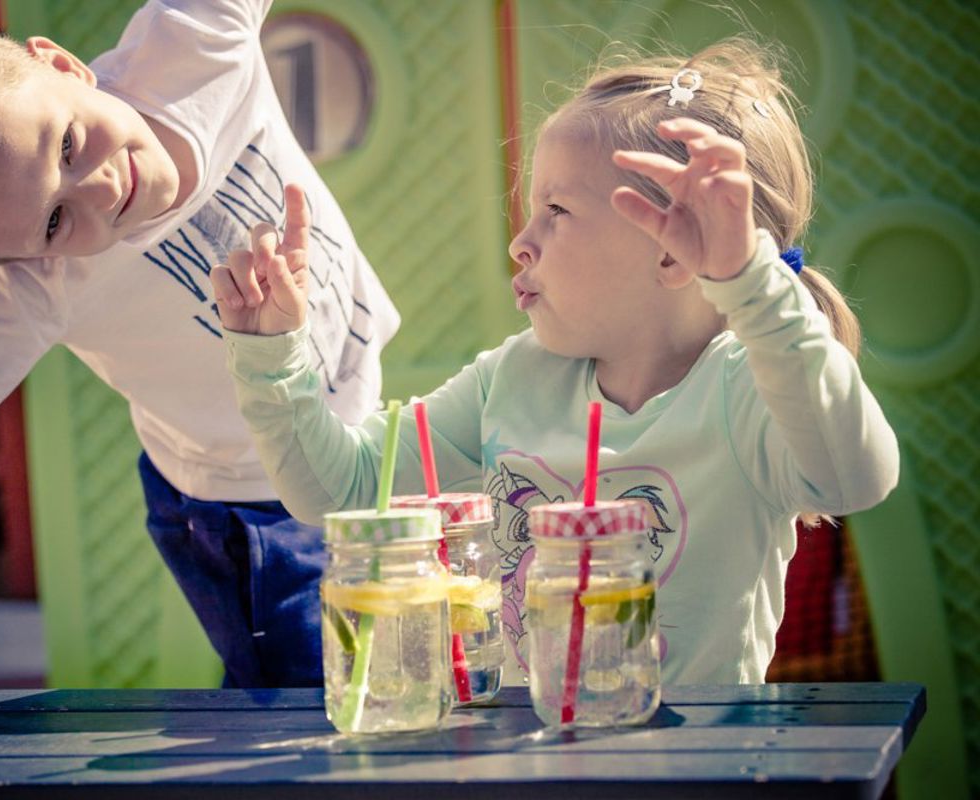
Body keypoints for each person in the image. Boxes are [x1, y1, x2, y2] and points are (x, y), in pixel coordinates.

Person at [0, 0, 399, 727]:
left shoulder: (193, 46)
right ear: (21, 259)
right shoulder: (35, 288)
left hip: (363, 427)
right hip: (252, 506)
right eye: (53, 221)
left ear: (61, 65)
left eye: (69, 144)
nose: (102, 188)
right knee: (313, 710)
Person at [214, 38, 900, 684]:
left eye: (556, 211)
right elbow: (340, 491)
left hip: (700, 769)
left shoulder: (748, 387)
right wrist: (273, 355)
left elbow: (853, 479)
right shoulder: (514, 378)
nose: (521, 242)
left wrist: (749, 283)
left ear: (669, 250)